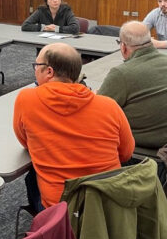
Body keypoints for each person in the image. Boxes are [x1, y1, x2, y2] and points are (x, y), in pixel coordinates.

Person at [13, 42, 134, 211]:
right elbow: (126, 153)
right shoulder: (109, 105)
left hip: (61, 210)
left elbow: (25, 142)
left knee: (33, 177)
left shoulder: (26, 99)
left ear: (49, 71)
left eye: (37, 65)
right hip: (108, 205)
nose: (34, 70)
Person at [98, 21, 167, 156]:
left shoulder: (121, 74)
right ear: (150, 42)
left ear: (123, 47)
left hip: (154, 157)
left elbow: (97, 115)